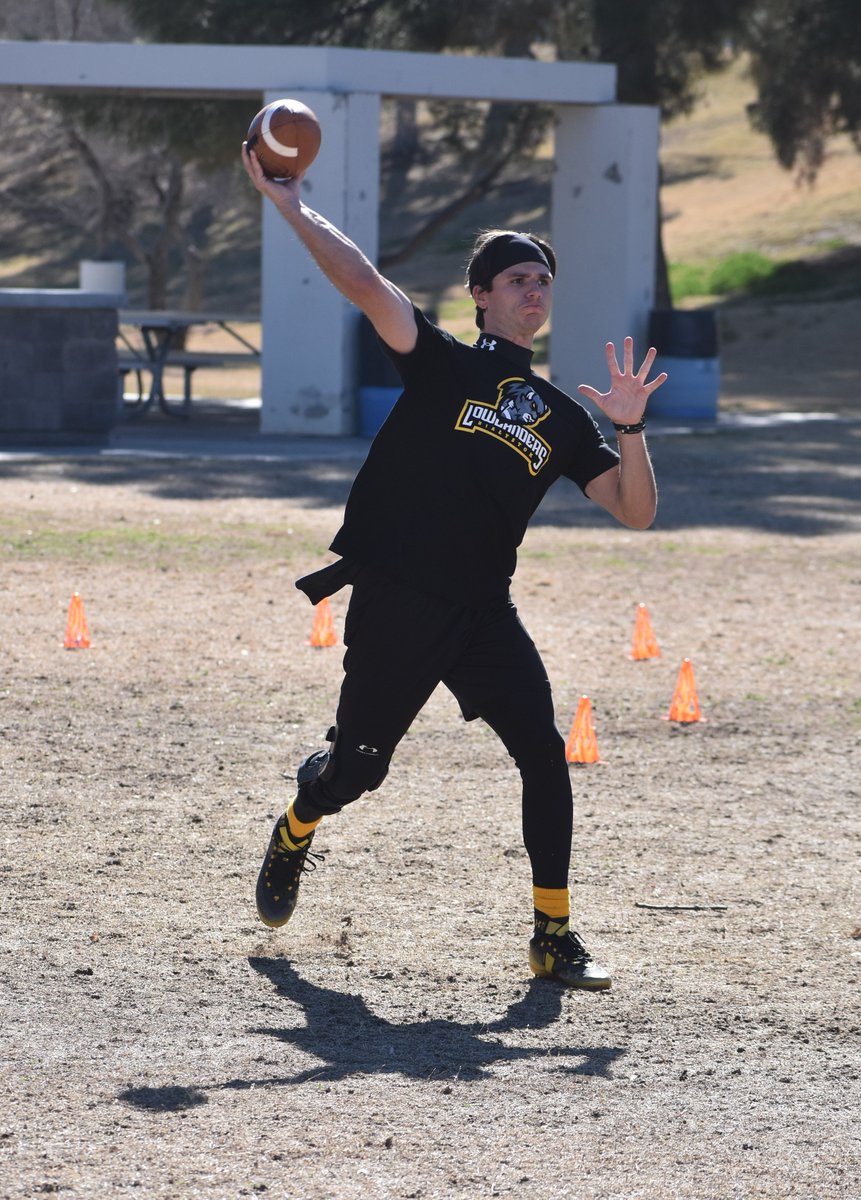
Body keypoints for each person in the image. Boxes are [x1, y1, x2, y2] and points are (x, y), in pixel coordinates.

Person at [242, 141, 666, 991]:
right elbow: (364, 282)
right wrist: (290, 206)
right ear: (480, 296)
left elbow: (634, 510)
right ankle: (298, 820)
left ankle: (552, 935)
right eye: (516, 279)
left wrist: (627, 427)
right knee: (356, 771)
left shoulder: (556, 414)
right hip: (399, 600)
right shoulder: (438, 363)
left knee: (543, 755)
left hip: (482, 612)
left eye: (542, 280)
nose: (532, 291)